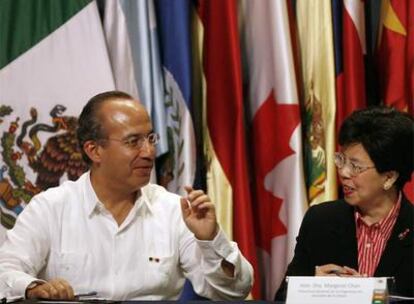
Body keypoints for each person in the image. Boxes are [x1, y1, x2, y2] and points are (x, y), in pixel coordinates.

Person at [0, 91, 253, 301]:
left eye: (150, 138)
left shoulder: (175, 211)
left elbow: (234, 292)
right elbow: (5, 271)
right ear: (94, 150)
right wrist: (33, 288)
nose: (149, 152)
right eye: (134, 141)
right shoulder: (51, 208)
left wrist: (210, 239)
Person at [275, 106, 414, 300]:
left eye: (355, 166)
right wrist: (311, 288)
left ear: (389, 177)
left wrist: (367, 295)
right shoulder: (321, 221)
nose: (343, 172)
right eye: (341, 160)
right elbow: (282, 298)